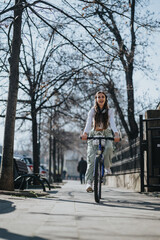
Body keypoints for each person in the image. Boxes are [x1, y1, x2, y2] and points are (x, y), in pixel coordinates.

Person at [81, 91, 120, 192]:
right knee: (91, 159)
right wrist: (85, 133)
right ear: (96, 99)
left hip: (106, 133)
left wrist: (115, 133)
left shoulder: (110, 111)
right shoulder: (92, 111)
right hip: (94, 133)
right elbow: (89, 123)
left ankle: (107, 166)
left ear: (105, 99)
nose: (101, 99)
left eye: (102, 97)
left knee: (109, 147)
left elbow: (112, 122)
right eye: (98, 97)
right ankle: (89, 183)